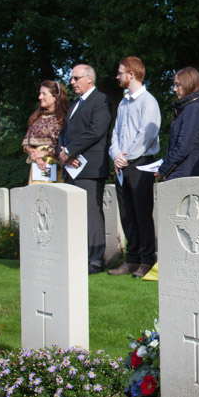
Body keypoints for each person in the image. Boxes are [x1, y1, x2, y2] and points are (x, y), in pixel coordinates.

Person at [107, 57, 161, 278]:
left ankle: (147, 260)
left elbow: (146, 136)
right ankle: (132, 259)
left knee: (142, 213)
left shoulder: (148, 102)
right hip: (123, 163)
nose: (117, 76)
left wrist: (126, 157)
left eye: (120, 72)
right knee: (127, 214)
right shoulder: (123, 103)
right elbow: (116, 133)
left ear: (132, 74)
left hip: (141, 163)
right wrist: (116, 154)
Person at [57, 64, 113, 275]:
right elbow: (64, 133)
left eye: (75, 78)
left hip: (90, 168)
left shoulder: (101, 101)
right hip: (71, 169)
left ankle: (96, 260)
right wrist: (61, 152)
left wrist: (70, 150)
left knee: (92, 214)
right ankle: (79, 255)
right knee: (74, 214)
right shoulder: (74, 105)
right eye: (72, 78)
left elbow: (95, 131)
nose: (72, 82)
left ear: (89, 78)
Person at [157, 67, 199, 180]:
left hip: (185, 174)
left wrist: (163, 169)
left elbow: (183, 146)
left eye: (178, 85)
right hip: (182, 173)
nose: (174, 89)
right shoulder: (188, 108)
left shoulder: (194, 109)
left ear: (189, 84)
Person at [23, 80, 68, 184]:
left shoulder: (65, 119)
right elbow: (26, 144)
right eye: (40, 94)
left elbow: (65, 144)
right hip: (37, 168)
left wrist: (43, 153)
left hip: (58, 167)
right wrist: (35, 155)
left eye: (44, 94)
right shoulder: (36, 118)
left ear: (56, 97)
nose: (40, 97)